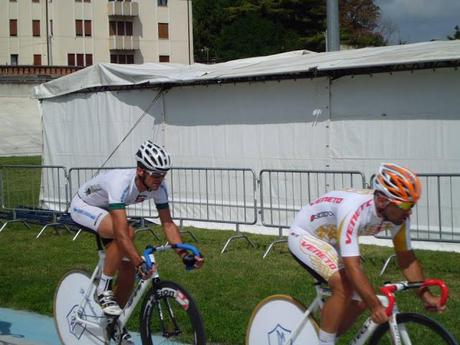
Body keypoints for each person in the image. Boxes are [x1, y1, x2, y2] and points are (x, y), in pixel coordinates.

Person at [288, 163, 445, 345]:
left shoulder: (398, 216)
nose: (409, 211)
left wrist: (425, 296)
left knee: (362, 298)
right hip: (306, 234)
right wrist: (375, 306)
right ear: (381, 201)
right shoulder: (354, 209)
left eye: (413, 204)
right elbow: (352, 265)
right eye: (405, 204)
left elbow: (407, 259)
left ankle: (326, 337)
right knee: (345, 286)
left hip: (333, 239)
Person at [70, 140, 204, 345]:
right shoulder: (120, 183)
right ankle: (103, 289)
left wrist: (184, 254)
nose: (160, 179)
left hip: (106, 212)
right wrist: (139, 262)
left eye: (164, 174)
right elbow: (122, 233)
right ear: (140, 171)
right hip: (84, 206)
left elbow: (167, 224)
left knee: (128, 275)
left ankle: (112, 324)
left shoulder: (158, 187)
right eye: (156, 174)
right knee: (126, 233)